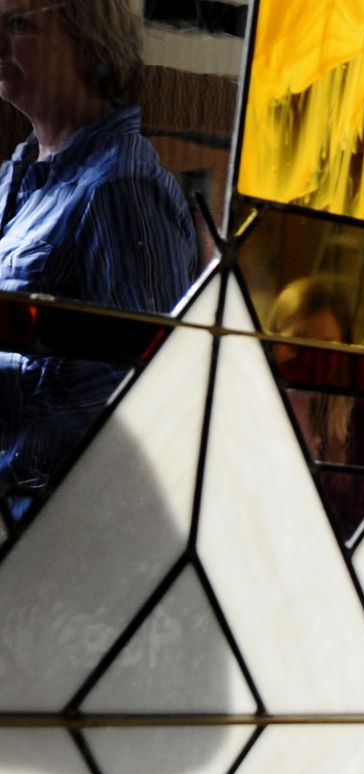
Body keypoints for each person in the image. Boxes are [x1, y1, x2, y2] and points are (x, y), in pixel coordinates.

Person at [0, 0, 197, 521]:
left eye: (18, 24)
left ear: (89, 46)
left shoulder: (122, 186)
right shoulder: (15, 179)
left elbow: (145, 389)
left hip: (61, 534)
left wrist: (9, 390)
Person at [268, 277, 364, 543]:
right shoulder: (255, 401)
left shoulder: (361, 414)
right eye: (300, 342)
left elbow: (361, 514)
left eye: (327, 347)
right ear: (274, 341)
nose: (312, 358)